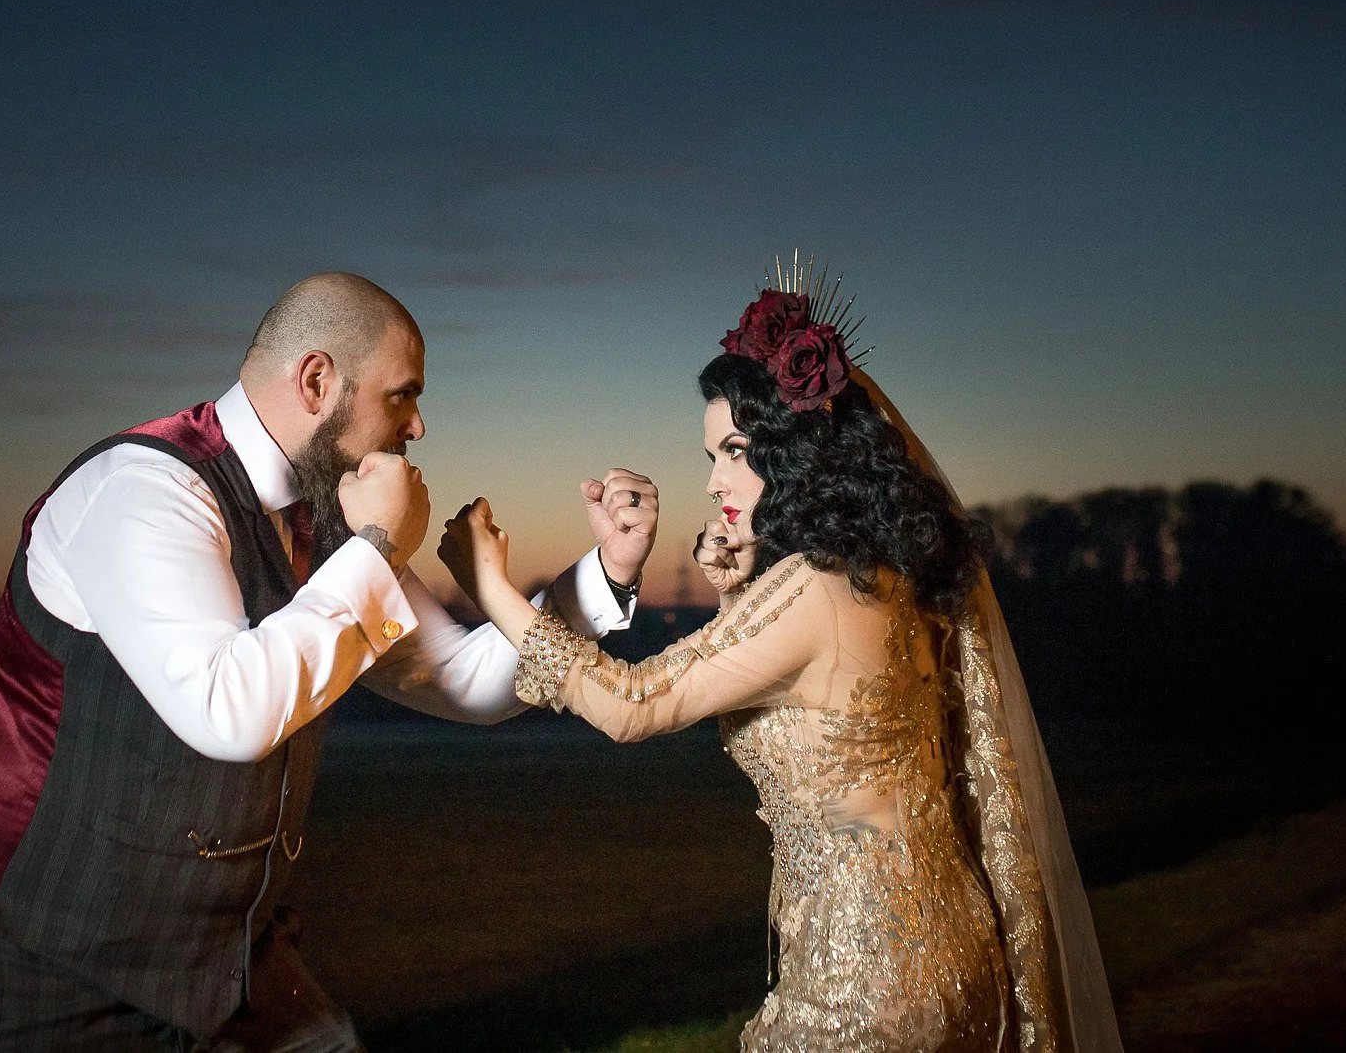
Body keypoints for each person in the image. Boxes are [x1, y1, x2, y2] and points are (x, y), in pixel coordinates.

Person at [0, 272, 660, 1051]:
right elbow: (230, 709)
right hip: (34, 966)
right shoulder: (144, 490)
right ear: (318, 380)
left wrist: (603, 577)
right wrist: (379, 547)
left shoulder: (326, 518)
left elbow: (461, 679)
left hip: (224, 963)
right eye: (402, 395)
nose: (418, 426)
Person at [439, 271, 1122, 1052]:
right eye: (711, 454)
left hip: (867, 979)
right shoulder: (883, 568)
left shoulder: (817, 589)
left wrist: (492, 586)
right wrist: (735, 590)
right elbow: (812, 703)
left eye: (736, 451)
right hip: (952, 949)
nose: (713, 480)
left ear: (796, 451)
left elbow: (635, 703)